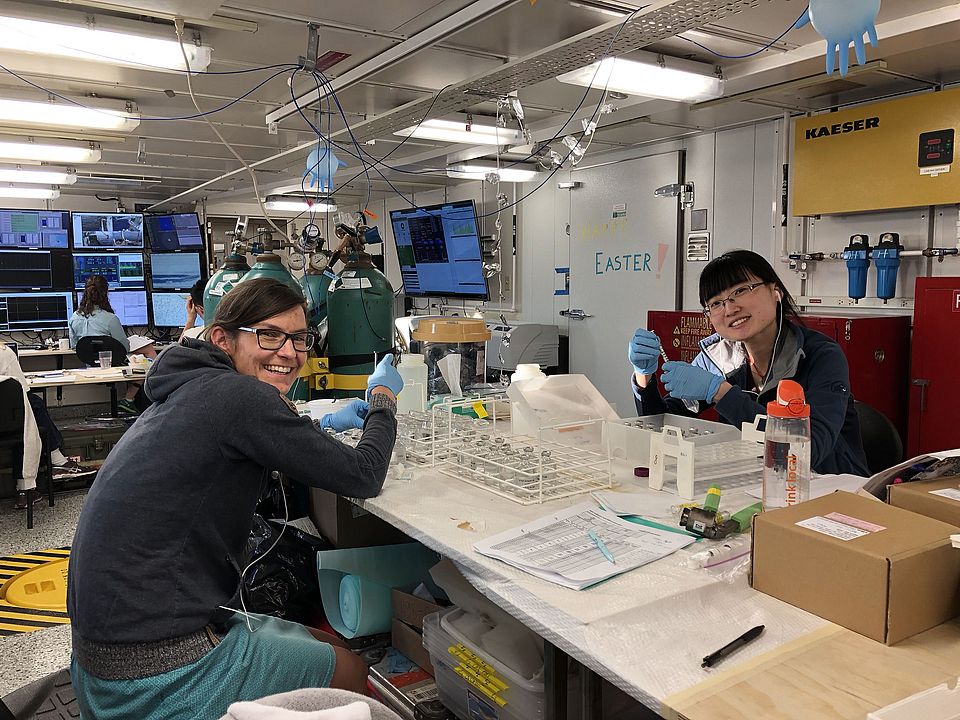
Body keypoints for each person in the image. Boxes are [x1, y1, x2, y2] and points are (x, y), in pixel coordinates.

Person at [68, 278, 403, 720]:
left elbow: (242, 437)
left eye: (300, 338)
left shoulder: (190, 384)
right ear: (222, 337)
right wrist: (382, 399)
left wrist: (317, 428)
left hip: (102, 653)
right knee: (350, 669)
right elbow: (364, 474)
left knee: (325, 642)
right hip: (151, 669)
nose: (289, 352)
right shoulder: (241, 397)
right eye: (269, 335)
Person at [629, 249, 869, 476]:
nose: (730, 308)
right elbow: (660, 426)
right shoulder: (717, 357)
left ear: (776, 292)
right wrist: (644, 377)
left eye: (741, 290)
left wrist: (721, 393)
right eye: (716, 303)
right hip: (752, 483)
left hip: (828, 490)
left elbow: (806, 452)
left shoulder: (820, 356)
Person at [0, 344, 90, 509]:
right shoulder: (4, 353)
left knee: (27, 412)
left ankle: (55, 462)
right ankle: (27, 488)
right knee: (30, 410)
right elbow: (21, 393)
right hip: (9, 426)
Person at [69, 275, 129, 352]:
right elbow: (124, 348)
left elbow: (74, 346)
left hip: (88, 363)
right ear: (105, 293)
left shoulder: (74, 318)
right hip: (111, 362)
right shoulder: (111, 319)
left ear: (85, 293)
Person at [118, 335, 159, 415]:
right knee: (148, 349)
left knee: (140, 362)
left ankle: (129, 399)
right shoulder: (111, 321)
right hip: (113, 348)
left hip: (96, 350)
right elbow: (121, 339)